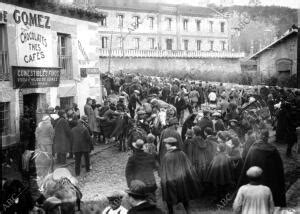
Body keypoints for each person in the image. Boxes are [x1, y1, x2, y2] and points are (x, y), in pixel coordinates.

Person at [238, 129, 286, 207]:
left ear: (259, 136)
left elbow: (246, 167)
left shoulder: (253, 149)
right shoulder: (273, 150)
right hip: (269, 183)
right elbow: (279, 170)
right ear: (268, 138)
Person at [160, 137, 202, 214]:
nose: (165, 145)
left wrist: (163, 180)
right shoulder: (182, 153)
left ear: (170, 145)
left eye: (166, 144)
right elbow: (188, 166)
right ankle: (188, 211)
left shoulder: (167, 156)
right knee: (184, 196)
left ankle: (171, 212)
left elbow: (164, 171)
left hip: (170, 180)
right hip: (182, 179)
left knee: (170, 198)